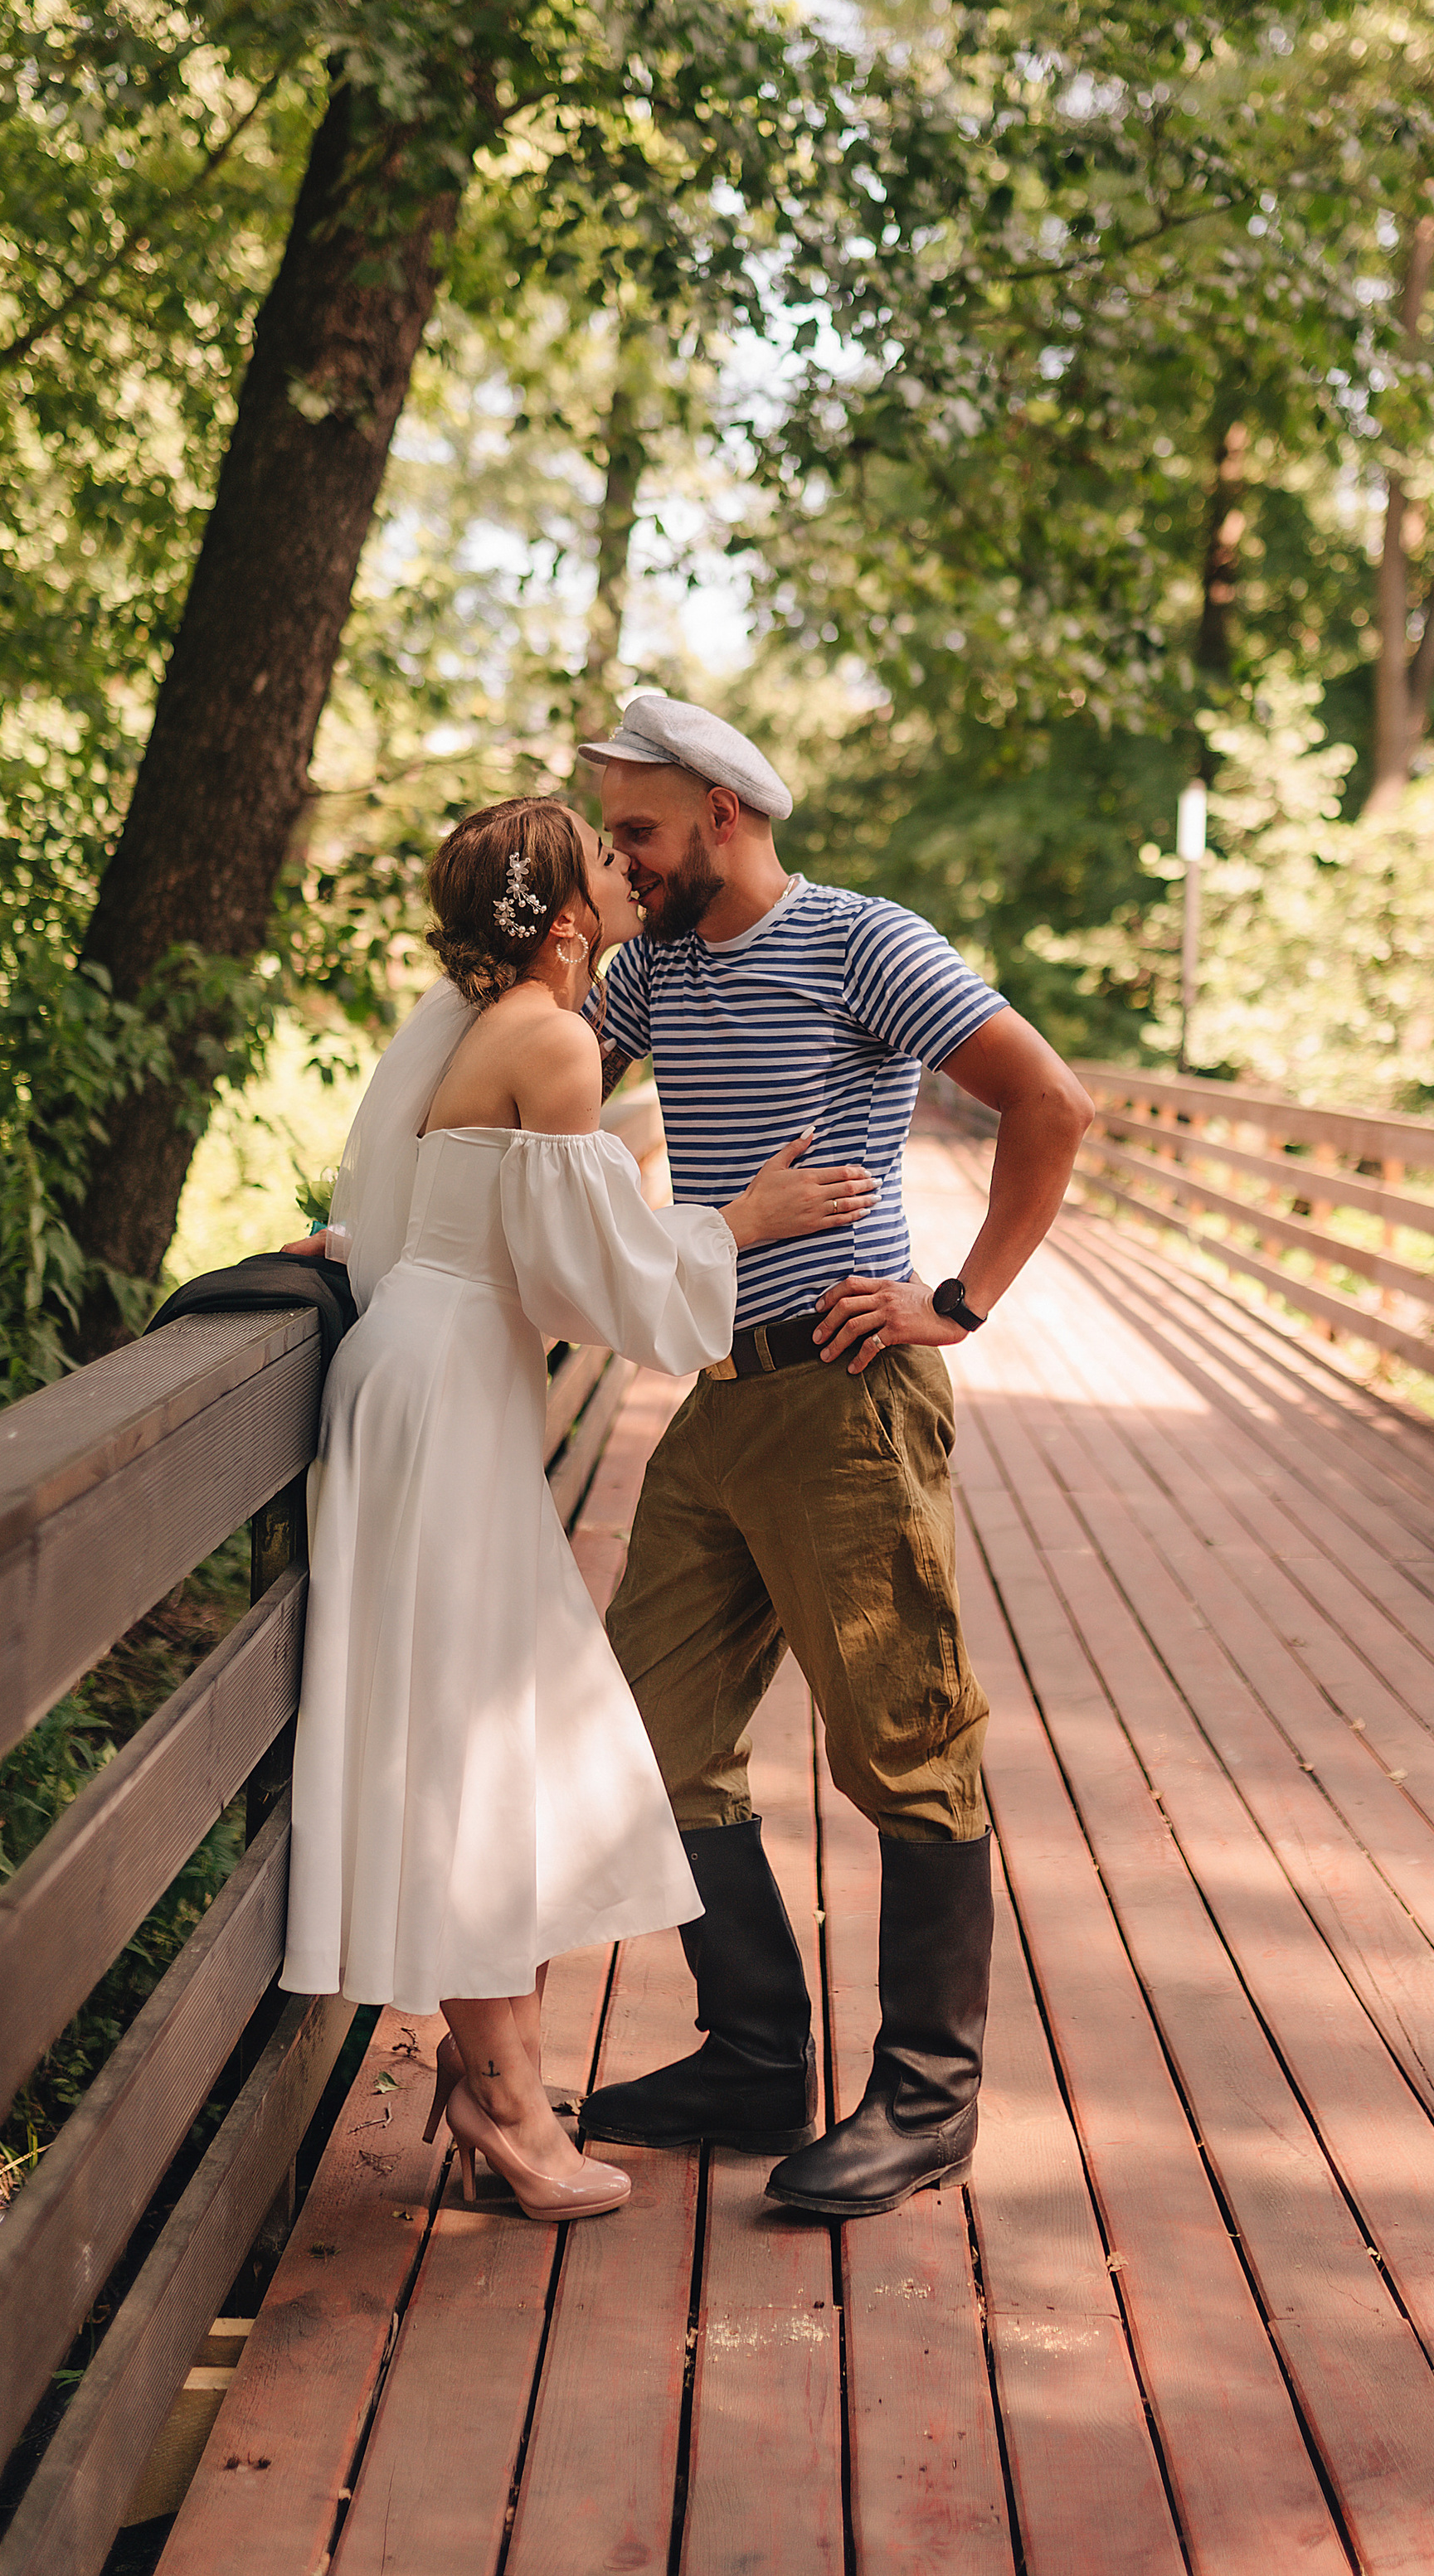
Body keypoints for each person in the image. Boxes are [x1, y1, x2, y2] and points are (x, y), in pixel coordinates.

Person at [278, 798, 875, 2221]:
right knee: (494, 1742)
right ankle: (506, 2104)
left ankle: (504, 2084)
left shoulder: (495, 1029)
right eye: (608, 862)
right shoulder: (547, 1039)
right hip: (446, 1389)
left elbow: (515, 1225)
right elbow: (588, 1274)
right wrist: (746, 1221)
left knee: (519, 1734)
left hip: (440, 1377)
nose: (628, 874)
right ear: (561, 919)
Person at [574, 695, 1094, 2219]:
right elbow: (543, 1090)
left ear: (724, 812)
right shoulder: (654, 966)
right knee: (645, 1731)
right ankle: (751, 2060)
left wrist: (958, 1300)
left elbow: (1050, 1102)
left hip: (846, 1396)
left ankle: (928, 2100)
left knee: (905, 1743)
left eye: (642, 834)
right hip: (717, 1399)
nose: (626, 863)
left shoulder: (862, 941)